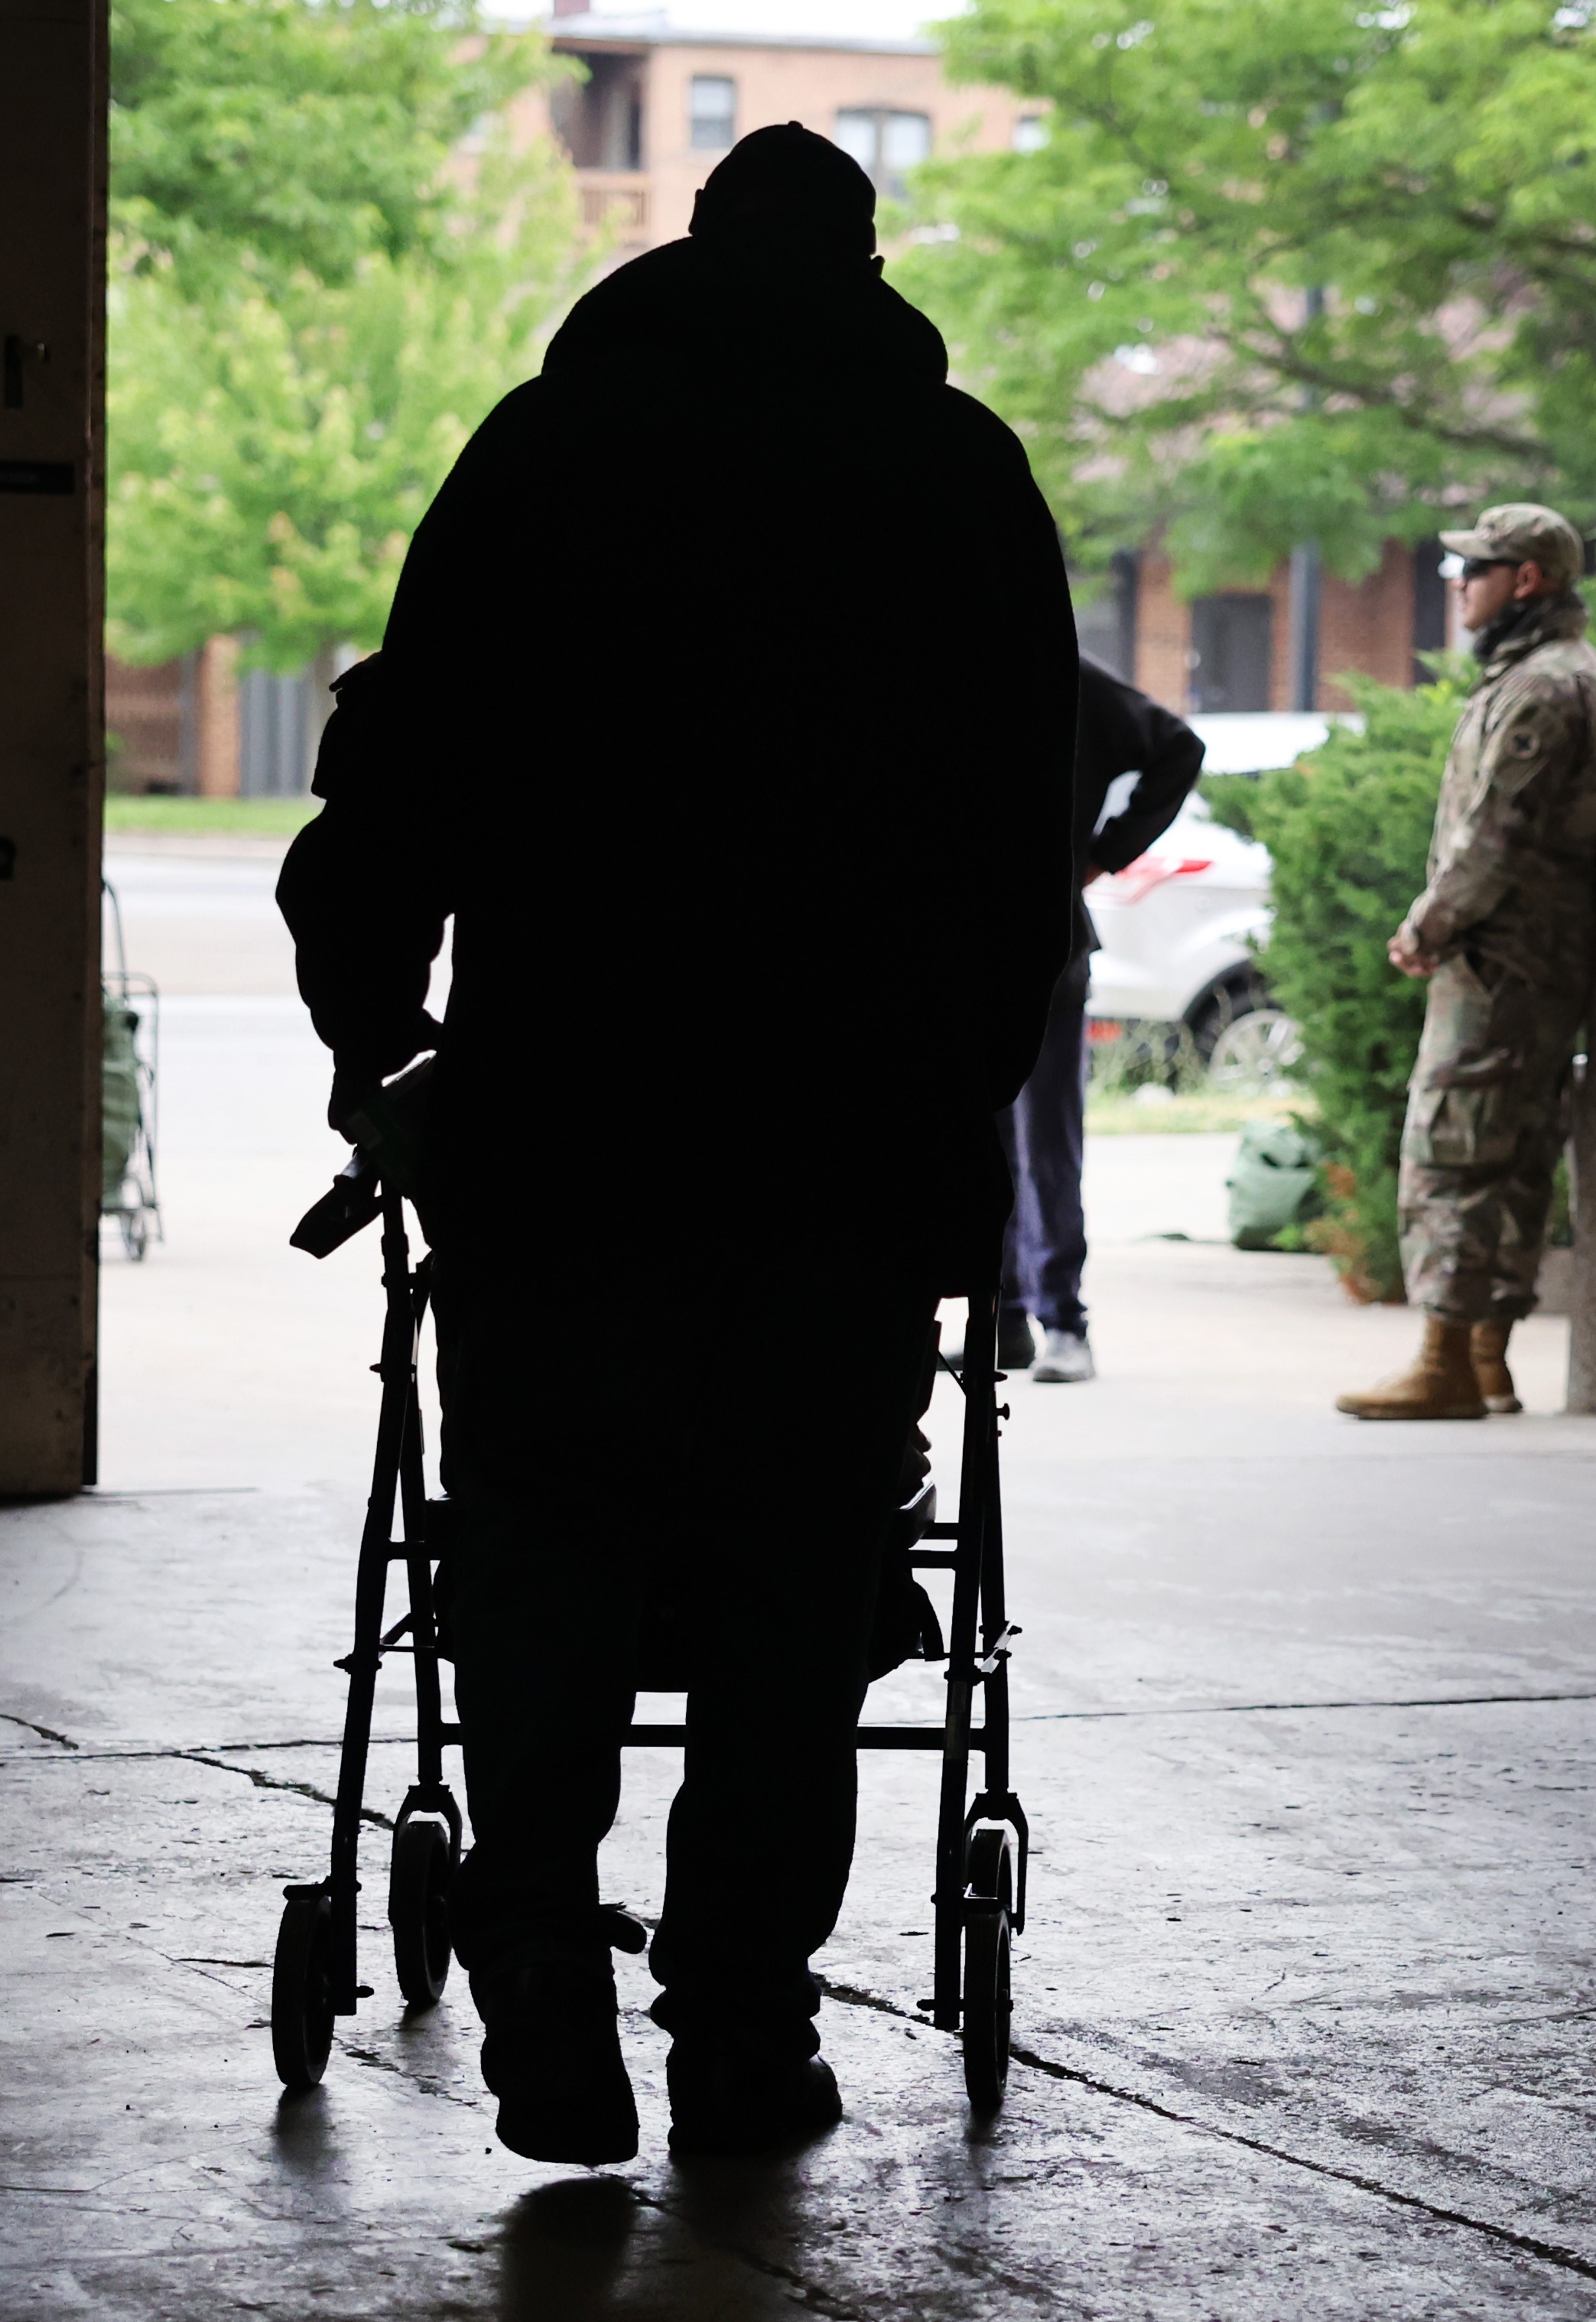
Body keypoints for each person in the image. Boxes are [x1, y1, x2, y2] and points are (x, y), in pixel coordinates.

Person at [277, 124, 1073, 2166]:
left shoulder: (544, 457)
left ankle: (541, 1954)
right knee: (795, 1589)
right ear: (867, 259)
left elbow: (398, 775)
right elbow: (1019, 847)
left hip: (568, 1118)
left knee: (542, 1541)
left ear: (687, 253)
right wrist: (959, 1118)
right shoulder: (956, 478)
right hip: (841, 1145)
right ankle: (738, 2017)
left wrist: (382, 1038)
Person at [1333, 502, 1596, 1423]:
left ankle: (1444, 1362)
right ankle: (1485, 1358)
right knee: (1512, 1154)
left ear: (1526, 580)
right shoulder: (1550, 674)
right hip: (1527, 964)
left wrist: (1428, 924)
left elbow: (1493, 837)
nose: (1457, 585)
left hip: (1502, 966)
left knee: (1454, 1153)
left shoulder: (1542, 688)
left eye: (1474, 569)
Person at [999, 662, 1204, 1386]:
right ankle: (1004, 1319)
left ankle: (1062, 1318)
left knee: (1044, 1140)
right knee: (987, 1146)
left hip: (1047, 945)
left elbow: (1179, 748)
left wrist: (1104, 853)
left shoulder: (1071, 678)